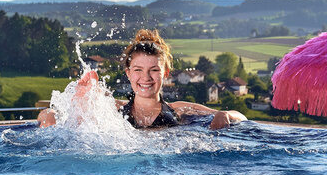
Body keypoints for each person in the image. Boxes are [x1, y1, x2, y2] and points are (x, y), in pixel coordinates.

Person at [37, 29, 247, 130]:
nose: (145, 78)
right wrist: (50, 116)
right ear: (128, 73)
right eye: (138, 69)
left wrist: (222, 114)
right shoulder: (113, 109)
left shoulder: (179, 110)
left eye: (154, 70)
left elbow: (241, 117)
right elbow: (49, 114)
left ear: (165, 73)